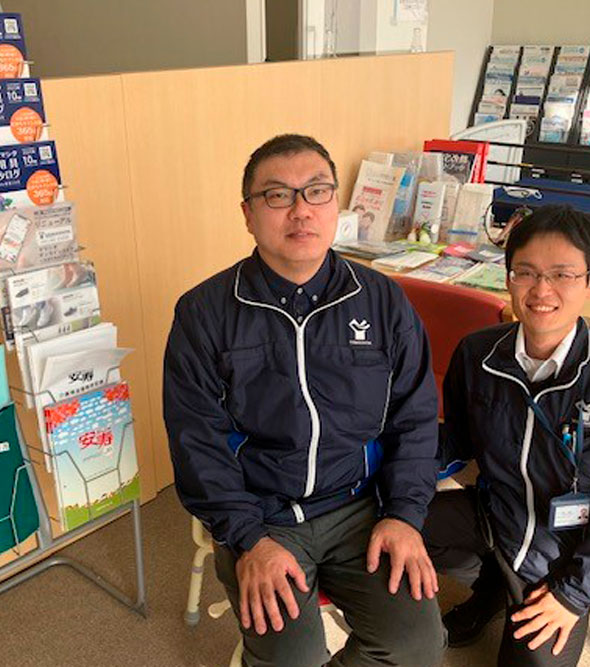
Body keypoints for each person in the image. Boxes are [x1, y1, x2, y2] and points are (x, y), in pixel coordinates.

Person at [163, 134, 445, 667]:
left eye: (316, 191)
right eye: (277, 195)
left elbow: (414, 418)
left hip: (361, 506)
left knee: (416, 648)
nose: (300, 211)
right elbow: (195, 441)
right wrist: (248, 539)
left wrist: (405, 514)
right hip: (261, 515)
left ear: (336, 204)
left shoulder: (382, 299)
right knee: (293, 659)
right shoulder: (204, 312)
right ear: (248, 214)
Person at [424, 204, 590, 666]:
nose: (541, 290)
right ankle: (494, 587)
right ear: (508, 277)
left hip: (560, 555)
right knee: (382, 529)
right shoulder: (477, 353)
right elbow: (456, 442)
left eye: (562, 275)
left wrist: (574, 595)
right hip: (493, 514)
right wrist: (387, 476)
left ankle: (507, 589)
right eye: (526, 272)